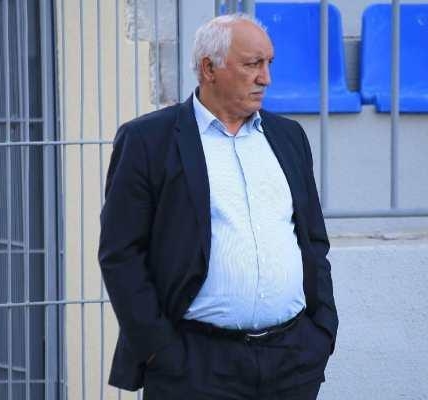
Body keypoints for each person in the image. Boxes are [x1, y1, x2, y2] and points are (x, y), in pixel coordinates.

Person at [99, 13, 338, 400]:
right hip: (196, 366)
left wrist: (322, 330)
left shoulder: (289, 137)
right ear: (209, 68)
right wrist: (160, 350)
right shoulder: (148, 140)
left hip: (292, 361)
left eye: (269, 63)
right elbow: (120, 254)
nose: (265, 78)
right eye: (252, 64)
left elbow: (313, 240)